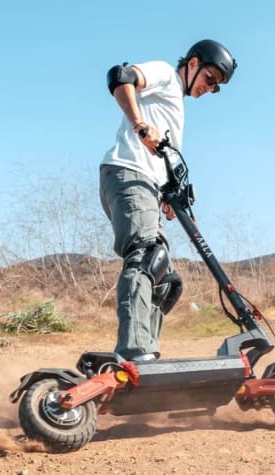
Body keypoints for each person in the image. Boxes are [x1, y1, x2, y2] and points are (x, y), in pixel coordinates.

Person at [99, 39, 237, 362]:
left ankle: (147, 354)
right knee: (146, 257)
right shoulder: (165, 75)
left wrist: (168, 195)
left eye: (216, 88)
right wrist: (140, 126)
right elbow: (119, 76)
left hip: (147, 184)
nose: (209, 88)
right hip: (127, 173)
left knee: (165, 280)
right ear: (193, 64)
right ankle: (134, 352)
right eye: (210, 79)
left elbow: (163, 159)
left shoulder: (175, 106)